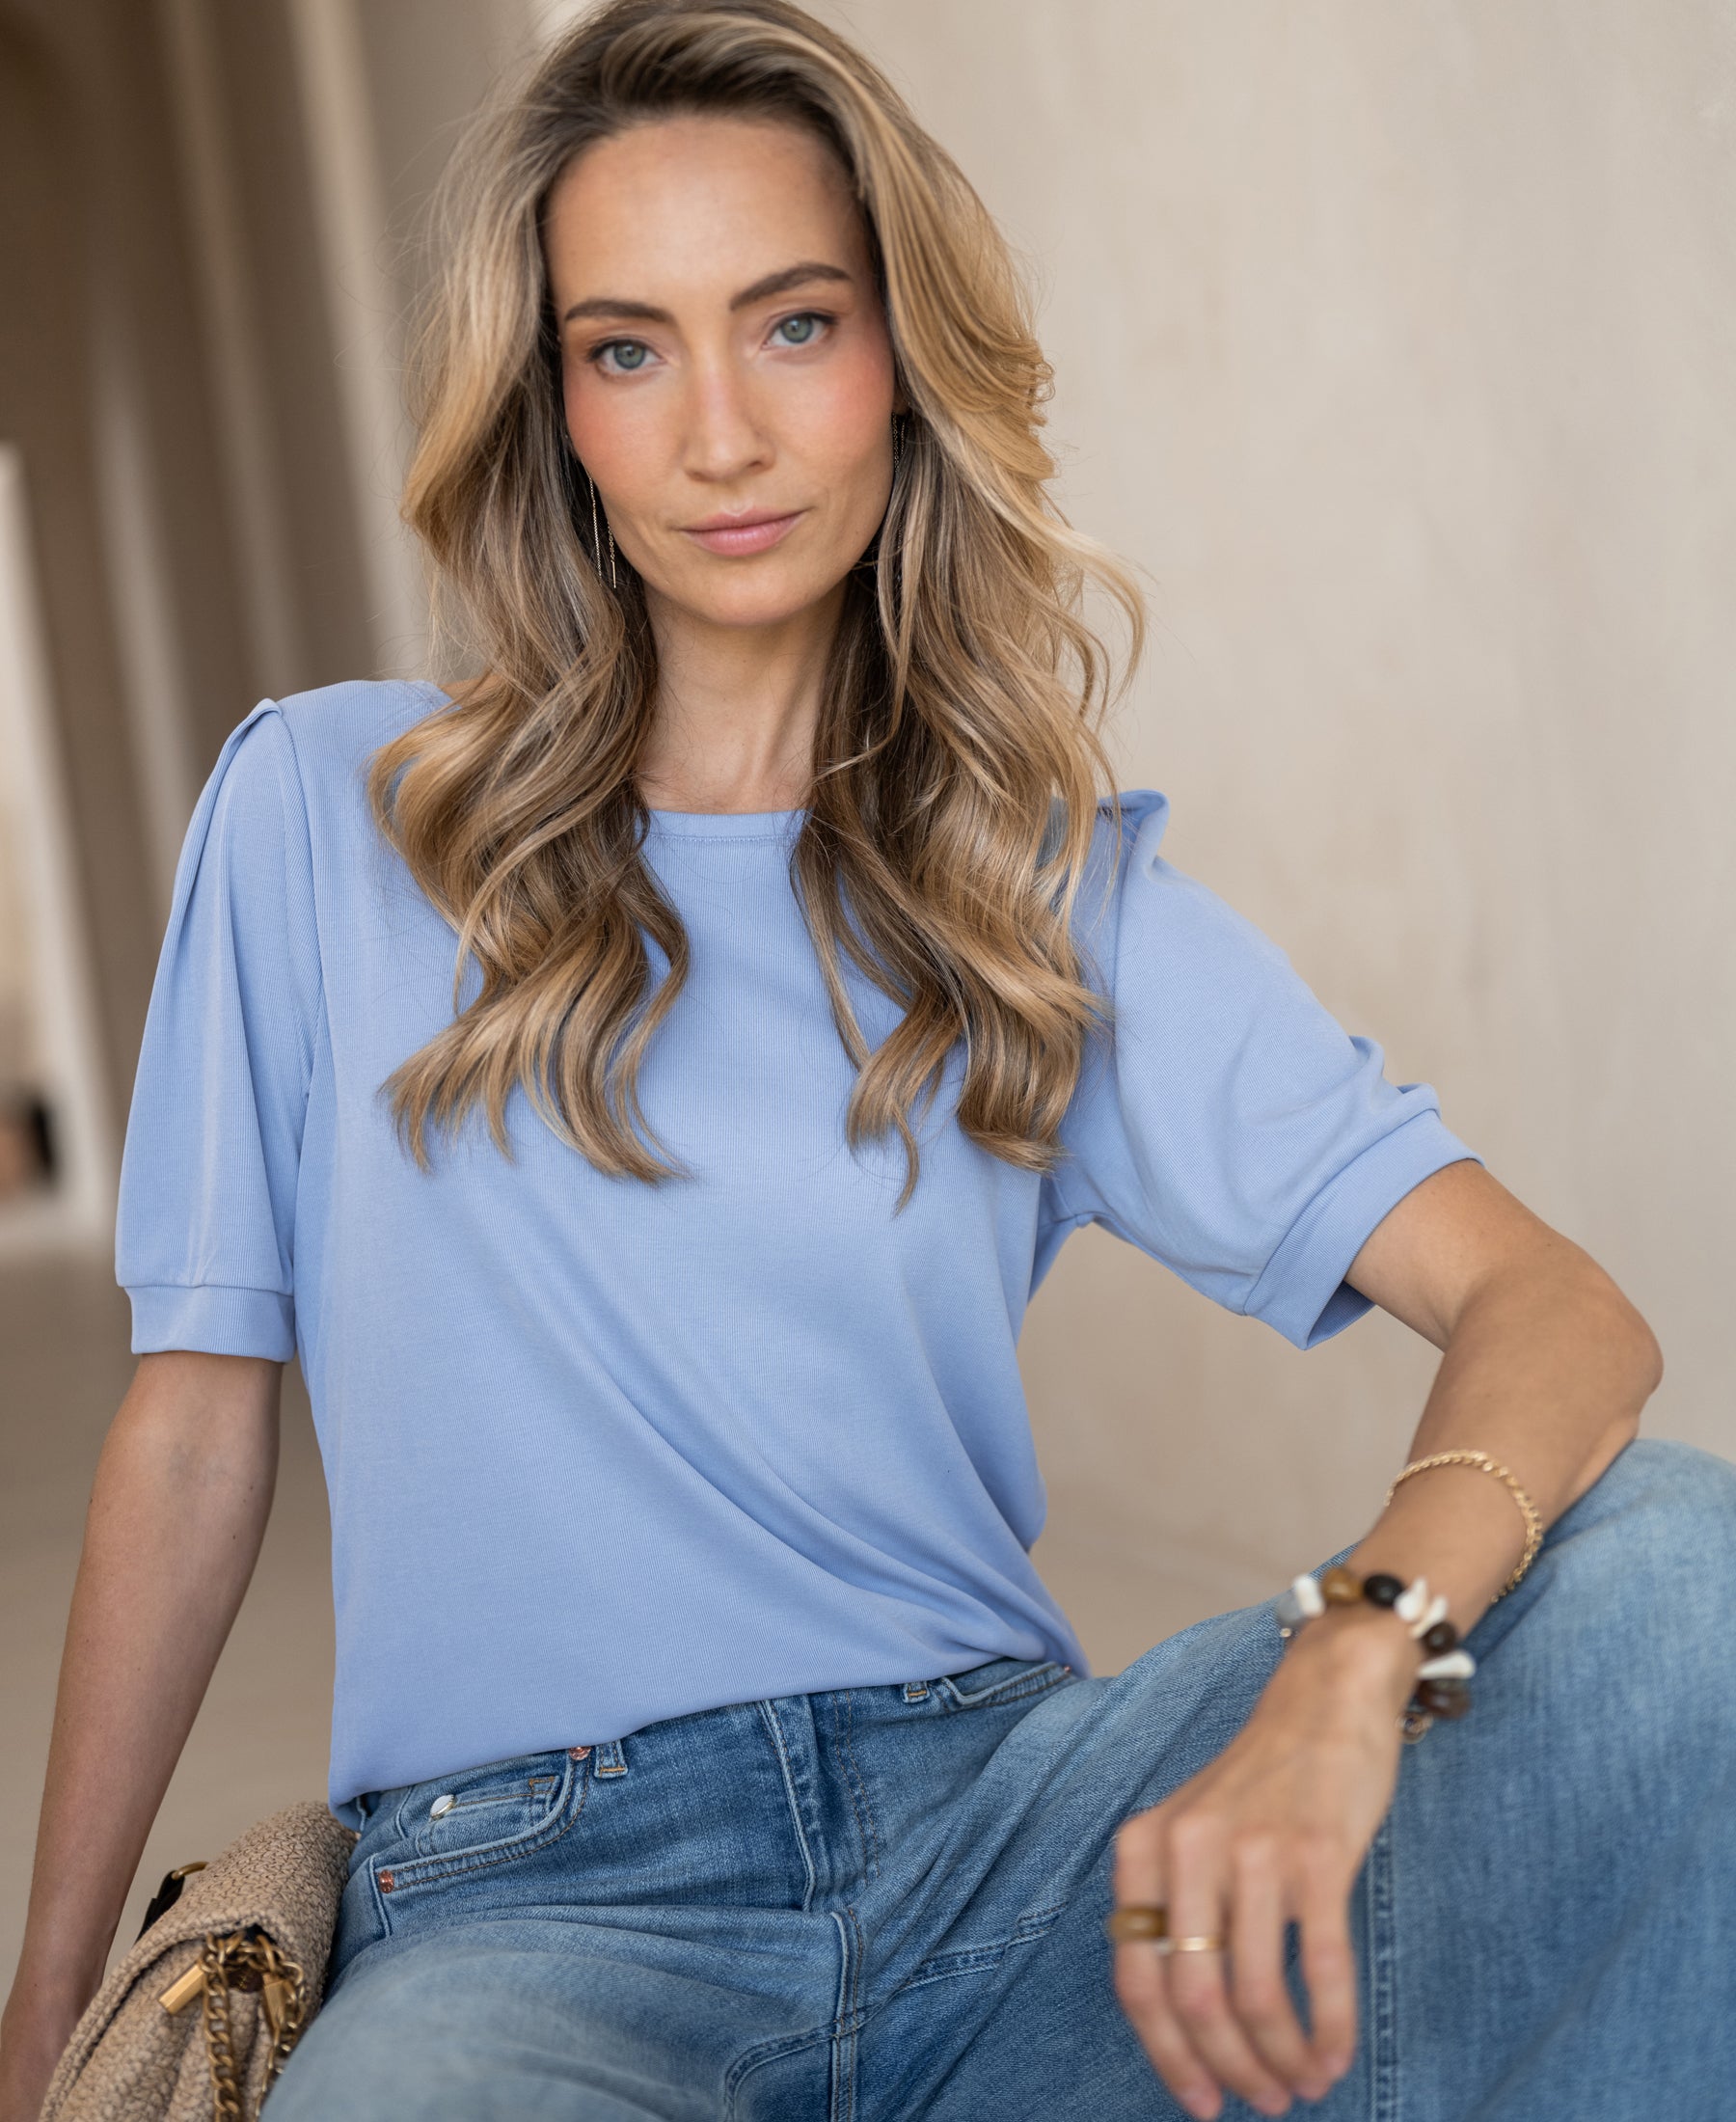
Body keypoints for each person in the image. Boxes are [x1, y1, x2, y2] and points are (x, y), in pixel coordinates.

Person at [4, 3, 1734, 2116]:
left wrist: (1355, 1655)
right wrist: (45, 2007)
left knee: (1666, 1578)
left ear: (903, 356)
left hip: (1007, 1835)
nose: (721, 431)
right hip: (526, 1906)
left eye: (794, 323)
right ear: (553, 410)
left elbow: (1557, 1310)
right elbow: (194, 1436)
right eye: (627, 348)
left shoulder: (1039, 898)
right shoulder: (324, 811)